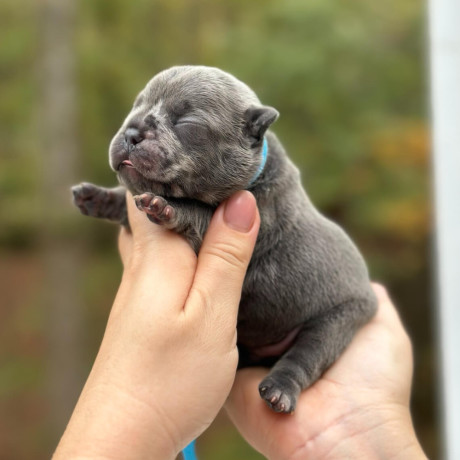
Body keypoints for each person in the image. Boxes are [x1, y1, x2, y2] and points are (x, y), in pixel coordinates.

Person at [53, 191, 427, 460]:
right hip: (242, 342)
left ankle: (293, 377)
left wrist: (138, 406)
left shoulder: (267, 188)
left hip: (310, 318)